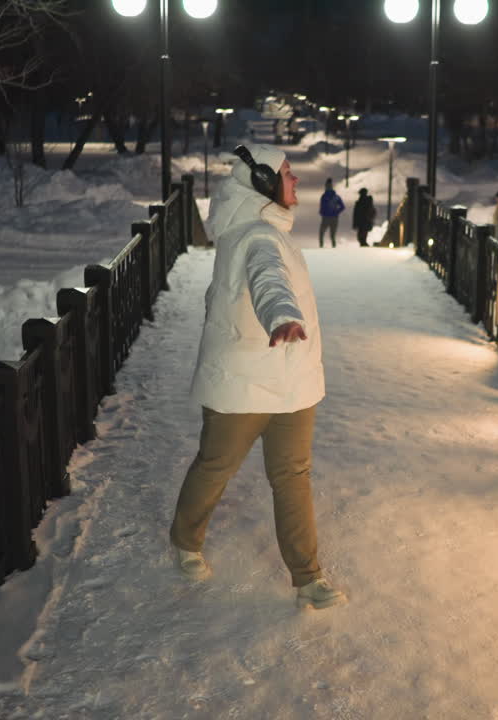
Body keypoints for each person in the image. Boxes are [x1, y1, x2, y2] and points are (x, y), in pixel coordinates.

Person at [170, 143, 348, 610]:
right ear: (263, 182)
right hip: (245, 380)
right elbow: (268, 278)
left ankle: (308, 576)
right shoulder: (257, 235)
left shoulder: (270, 229)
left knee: (293, 476)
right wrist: (281, 316)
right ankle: (186, 542)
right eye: (288, 174)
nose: (296, 181)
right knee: (215, 466)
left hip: (292, 383)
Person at [318, 178, 345, 248]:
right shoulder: (334, 196)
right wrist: (336, 212)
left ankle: (323, 246)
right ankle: (332, 247)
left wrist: (335, 212)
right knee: (331, 235)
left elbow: (342, 206)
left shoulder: (327, 196)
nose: (328, 187)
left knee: (324, 233)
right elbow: (342, 207)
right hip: (331, 218)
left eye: (328, 186)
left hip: (329, 218)